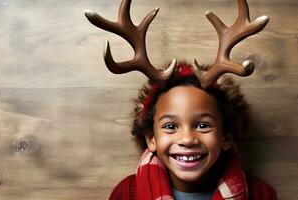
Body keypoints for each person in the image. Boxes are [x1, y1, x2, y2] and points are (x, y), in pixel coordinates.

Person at [85, 0, 277, 199]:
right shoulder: (126, 194)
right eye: (170, 126)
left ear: (226, 137)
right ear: (151, 138)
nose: (187, 139)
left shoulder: (261, 195)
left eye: (203, 125)